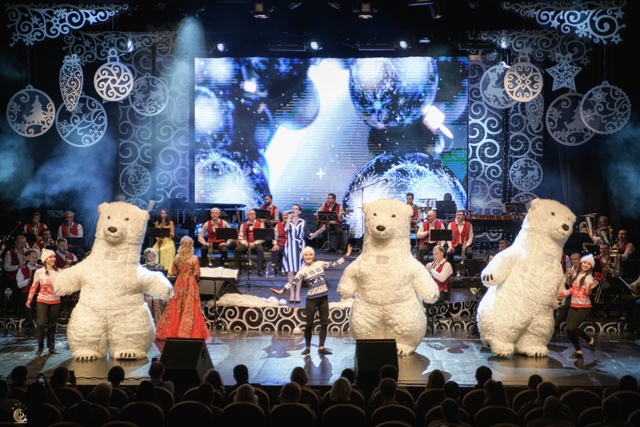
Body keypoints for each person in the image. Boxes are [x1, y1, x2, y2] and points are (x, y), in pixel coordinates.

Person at [270, 245, 352, 355]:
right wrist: (281, 291)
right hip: (312, 300)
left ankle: (321, 347)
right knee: (309, 325)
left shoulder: (320, 264)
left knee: (324, 323)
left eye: (310, 254)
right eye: (306, 255)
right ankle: (308, 347)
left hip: (323, 298)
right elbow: (292, 282)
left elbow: (335, 264)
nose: (308, 256)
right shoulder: (302, 271)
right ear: (303, 257)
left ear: (313, 255)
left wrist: (347, 255)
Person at [155, 236, 210, 340]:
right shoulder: (194, 258)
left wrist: (182, 275)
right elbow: (198, 273)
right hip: (190, 283)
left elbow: (174, 272)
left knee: (176, 305)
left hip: (179, 283)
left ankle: (172, 331)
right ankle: (187, 332)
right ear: (191, 246)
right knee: (190, 306)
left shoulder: (176, 258)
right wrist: (191, 276)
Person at [559, 254, 598, 358]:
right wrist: (562, 294)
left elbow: (588, 292)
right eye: (584, 262)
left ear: (591, 266)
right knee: (568, 329)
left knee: (573, 328)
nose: (586, 265)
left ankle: (590, 340)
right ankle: (579, 351)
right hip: (573, 305)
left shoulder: (589, 277)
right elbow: (573, 289)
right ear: (581, 263)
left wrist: (589, 289)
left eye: (588, 264)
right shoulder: (577, 274)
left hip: (584, 307)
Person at [26, 249, 62, 356]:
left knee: (52, 325)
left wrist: (67, 290)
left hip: (55, 301)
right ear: (45, 259)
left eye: (54, 257)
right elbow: (34, 286)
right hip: (42, 300)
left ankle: (51, 347)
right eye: (50, 257)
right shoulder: (39, 272)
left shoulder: (59, 271)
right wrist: (29, 299)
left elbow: (63, 285)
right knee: (41, 324)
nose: (53, 259)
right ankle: (40, 348)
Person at [281, 205, 309, 303]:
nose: (294, 210)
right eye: (292, 208)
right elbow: (286, 230)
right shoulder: (288, 221)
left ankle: (297, 294)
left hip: (300, 247)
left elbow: (307, 235)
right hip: (290, 247)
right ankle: (291, 293)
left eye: (296, 209)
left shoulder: (303, 222)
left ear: (299, 212)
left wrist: (318, 232)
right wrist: (289, 218)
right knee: (290, 271)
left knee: (299, 271)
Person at [16, 247, 41, 335]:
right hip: (27, 291)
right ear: (28, 258)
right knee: (29, 300)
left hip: (39, 291)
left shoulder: (42, 268)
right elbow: (19, 285)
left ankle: (46, 323)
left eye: (36, 257)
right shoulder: (22, 269)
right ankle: (29, 323)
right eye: (32, 257)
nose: (34, 259)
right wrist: (29, 279)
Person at [234, 210, 265, 275]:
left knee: (260, 249)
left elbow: (263, 237)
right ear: (247, 216)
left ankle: (259, 270)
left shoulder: (260, 224)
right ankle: (238, 270)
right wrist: (245, 243)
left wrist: (254, 243)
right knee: (237, 250)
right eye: (250, 214)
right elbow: (240, 236)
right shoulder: (243, 225)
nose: (252, 215)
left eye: (254, 214)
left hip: (256, 243)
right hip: (246, 243)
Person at [3, 234, 29, 311]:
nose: (23, 245)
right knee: (16, 287)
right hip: (13, 277)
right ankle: (16, 307)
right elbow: (6, 267)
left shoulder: (27, 252)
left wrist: (28, 261)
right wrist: (18, 267)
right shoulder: (9, 253)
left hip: (24, 276)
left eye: (24, 243)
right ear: (16, 242)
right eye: (21, 243)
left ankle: (26, 307)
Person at [556, 252, 581, 330]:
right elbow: (568, 283)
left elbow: (581, 283)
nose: (573, 261)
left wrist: (573, 274)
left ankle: (556, 324)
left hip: (581, 293)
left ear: (580, 260)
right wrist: (566, 278)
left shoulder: (584, 269)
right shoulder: (571, 269)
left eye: (575, 259)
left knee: (566, 305)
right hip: (572, 291)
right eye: (572, 259)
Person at [142, 248, 166, 323]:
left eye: (153, 256)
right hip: (147, 292)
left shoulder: (159, 266)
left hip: (157, 291)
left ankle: (158, 322)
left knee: (156, 300)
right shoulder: (143, 268)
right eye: (150, 257)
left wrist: (157, 266)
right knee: (149, 300)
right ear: (146, 258)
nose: (152, 258)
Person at [152, 208, 176, 276]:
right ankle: (156, 269)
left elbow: (172, 234)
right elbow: (155, 233)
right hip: (159, 241)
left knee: (163, 250)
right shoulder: (157, 223)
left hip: (167, 241)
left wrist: (166, 234)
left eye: (164, 213)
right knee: (154, 250)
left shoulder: (170, 223)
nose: (163, 214)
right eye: (162, 213)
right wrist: (157, 238)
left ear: (167, 214)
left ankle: (166, 270)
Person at [270, 211, 289, 277]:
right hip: (281, 244)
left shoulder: (293, 225)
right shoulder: (278, 225)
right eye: (284, 215)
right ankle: (275, 269)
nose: (285, 216)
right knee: (274, 250)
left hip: (290, 245)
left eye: (287, 215)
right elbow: (275, 237)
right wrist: (275, 244)